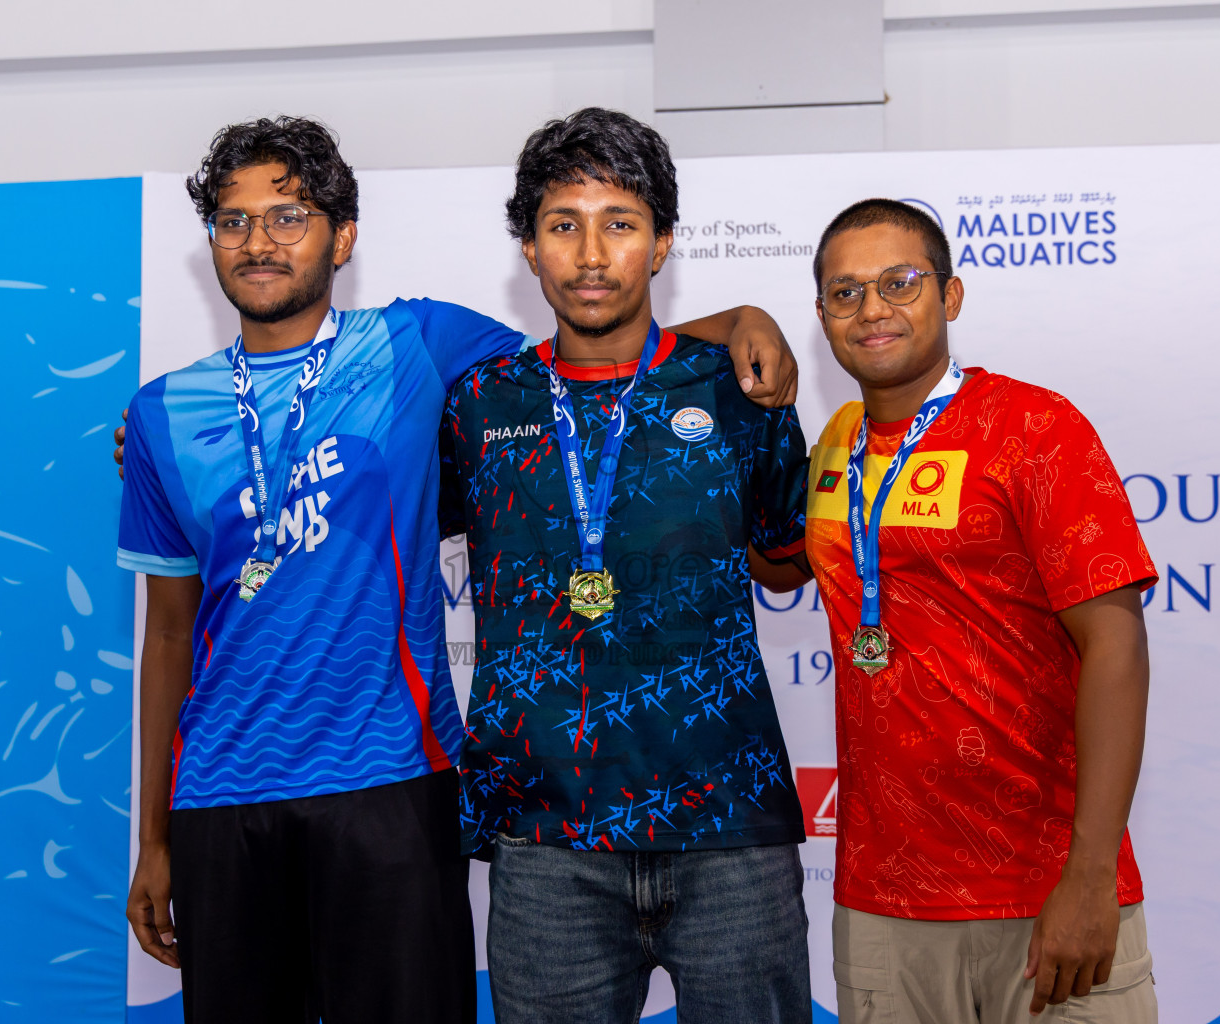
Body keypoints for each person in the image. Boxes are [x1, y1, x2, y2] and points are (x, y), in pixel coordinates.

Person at [113, 115, 799, 1024]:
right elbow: (167, 632)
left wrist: (745, 320)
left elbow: (591, 344)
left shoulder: (418, 347)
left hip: (399, 784)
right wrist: (152, 836)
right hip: (245, 799)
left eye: (288, 216)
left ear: (341, 237)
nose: (260, 241)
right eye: (234, 222)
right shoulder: (164, 413)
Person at [441, 107, 814, 1024]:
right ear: (529, 249)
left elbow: (784, 566)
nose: (592, 253)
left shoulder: (735, 387)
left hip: (729, 823)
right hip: (544, 838)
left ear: (663, 244)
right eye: (563, 225)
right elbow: (372, 520)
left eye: (621, 223)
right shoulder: (479, 405)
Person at [794, 199, 1158, 1023]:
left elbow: (1117, 646)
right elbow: (772, 560)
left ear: (950, 296)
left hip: (1046, 890)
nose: (873, 309)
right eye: (845, 293)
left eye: (900, 283)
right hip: (884, 903)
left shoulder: (1038, 427)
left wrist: (1089, 878)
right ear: (821, 318)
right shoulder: (832, 447)